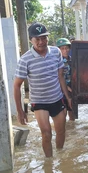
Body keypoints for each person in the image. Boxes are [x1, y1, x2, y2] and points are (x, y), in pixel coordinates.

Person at [13, 22, 71, 157]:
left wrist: (67, 97)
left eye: (44, 38)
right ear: (31, 40)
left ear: (47, 38)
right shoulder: (25, 59)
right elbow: (16, 85)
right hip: (39, 102)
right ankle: (49, 164)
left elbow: (60, 76)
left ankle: (61, 157)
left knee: (61, 131)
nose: (41, 42)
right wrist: (20, 110)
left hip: (56, 98)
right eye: (37, 39)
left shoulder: (56, 52)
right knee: (46, 133)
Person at [56, 38, 75, 121]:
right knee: (63, 114)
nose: (65, 50)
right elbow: (57, 77)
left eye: (66, 48)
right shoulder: (57, 62)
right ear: (59, 50)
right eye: (62, 48)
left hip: (72, 89)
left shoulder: (73, 60)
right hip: (61, 90)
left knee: (72, 112)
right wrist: (67, 88)